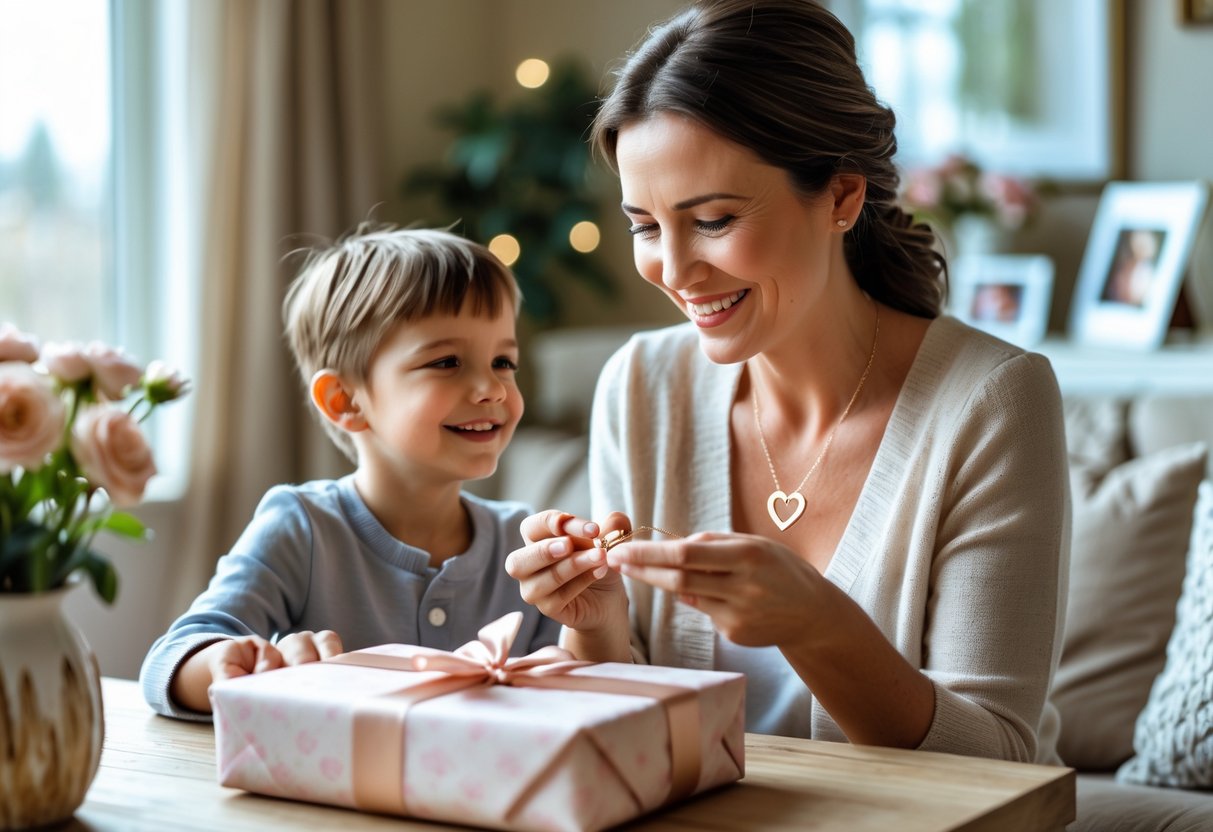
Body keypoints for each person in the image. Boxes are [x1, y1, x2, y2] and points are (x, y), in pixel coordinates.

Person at [506, 0, 1069, 765]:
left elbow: (998, 757)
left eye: (711, 221)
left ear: (840, 197)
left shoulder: (991, 400)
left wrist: (815, 622)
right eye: (644, 225)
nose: (673, 272)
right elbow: (627, 736)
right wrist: (596, 624)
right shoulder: (640, 384)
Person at [141, 226, 560, 719]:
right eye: (447, 361)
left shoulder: (525, 543)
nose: (491, 388)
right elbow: (169, 660)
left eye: (503, 361)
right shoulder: (302, 526)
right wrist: (232, 666)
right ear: (345, 401)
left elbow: (580, 688)